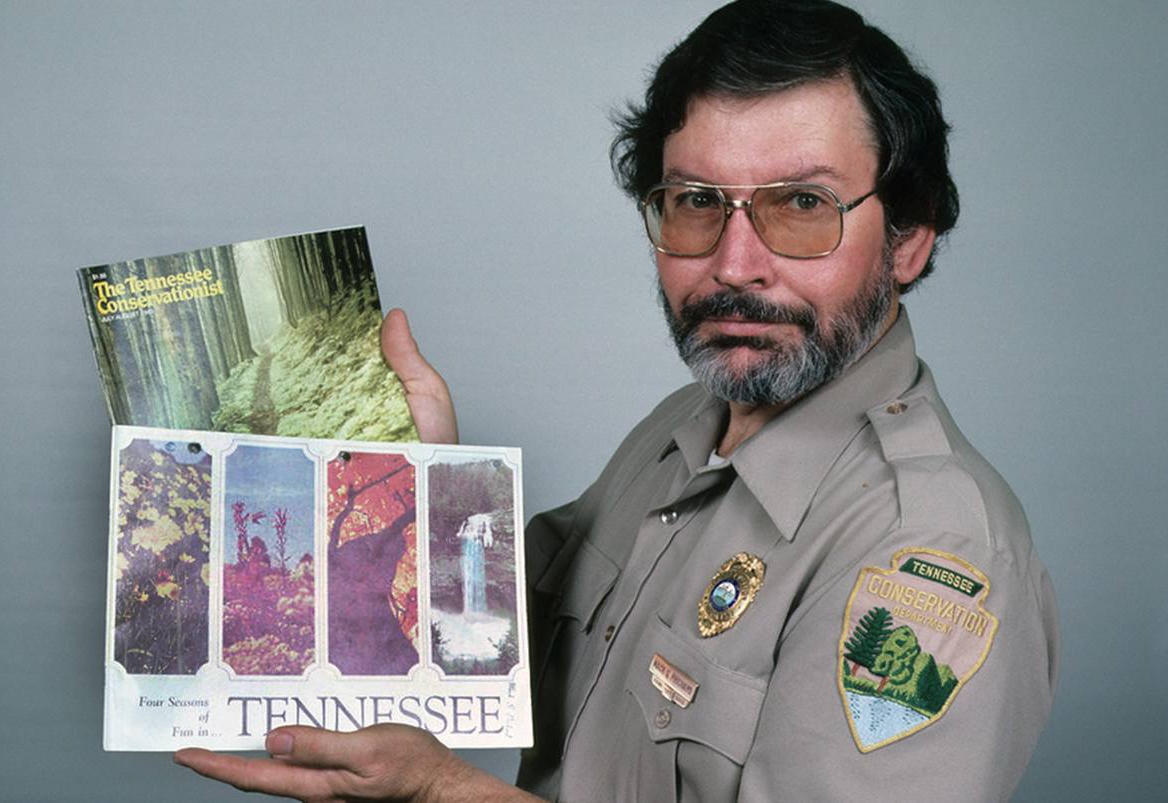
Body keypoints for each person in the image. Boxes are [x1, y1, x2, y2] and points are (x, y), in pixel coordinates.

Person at [174, 1, 1059, 801]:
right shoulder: (679, 431)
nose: (735, 261)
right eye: (694, 202)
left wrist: (438, 792)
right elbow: (482, 634)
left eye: (801, 203)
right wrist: (417, 472)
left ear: (907, 239)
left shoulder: (927, 547)